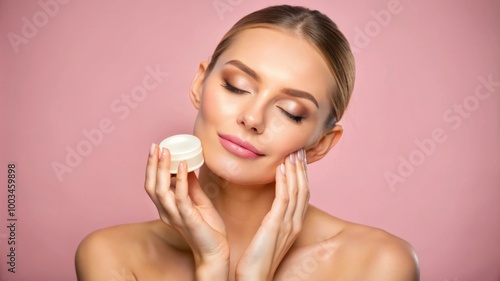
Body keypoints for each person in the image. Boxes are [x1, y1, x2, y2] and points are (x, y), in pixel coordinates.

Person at [75, 5, 419, 281]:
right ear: (199, 83)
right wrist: (211, 263)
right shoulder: (112, 257)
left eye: (291, 111)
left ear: (321, 144)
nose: (252, 118)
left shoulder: (378, 265)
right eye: (237, 86)